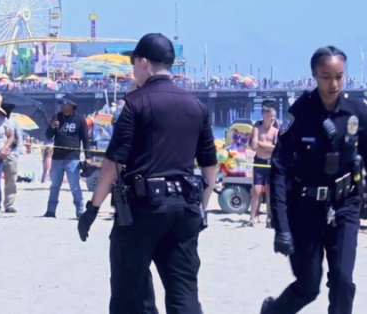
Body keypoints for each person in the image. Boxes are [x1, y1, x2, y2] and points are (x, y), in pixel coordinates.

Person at [77, 33, 217, 314]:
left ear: (143, 63)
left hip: (142, 210)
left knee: (131, 292)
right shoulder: (197, 106)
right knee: (184, 292)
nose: (131, 68)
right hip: (186, 207)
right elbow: (209, 165)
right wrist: (202, 208)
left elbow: (112, 163)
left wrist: (92, 208)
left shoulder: (135, 104)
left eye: (132, 62)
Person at [262, 46, 367, 314]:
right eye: (326, 76)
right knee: (308, 285)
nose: (333, 83)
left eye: (339, 76)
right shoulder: (300, 113)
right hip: (304, 208)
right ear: (314, 75)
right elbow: (279, 168)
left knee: (343, 281)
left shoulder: (357, 111)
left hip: (345, 205)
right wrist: (281, 226)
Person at [44, 93, 91, 219]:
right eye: (61, 102)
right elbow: (48, 135)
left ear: (71, 105)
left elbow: (85, 139)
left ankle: (80, 211)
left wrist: (88, 156)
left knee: (74, 186)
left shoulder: (80, 119)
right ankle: (50, 211)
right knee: (54, 186)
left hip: (73, 157)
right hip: (57, 157)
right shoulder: (56, 117)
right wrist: (52, 127)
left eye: (64, 103)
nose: (61, 105)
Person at [248, 100, 278, 226]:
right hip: (259, 161)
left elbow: (276, 148)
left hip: (271, 162)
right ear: (264, 115)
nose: (273, 118)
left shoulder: (276, 130)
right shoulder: (257, 127)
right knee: (256, 190)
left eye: (274, 116)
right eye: (270, 116)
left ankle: (269, 218)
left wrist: (261, 144)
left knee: (271, 191)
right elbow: (253, 146)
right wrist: (266, 146)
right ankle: (253, 217)